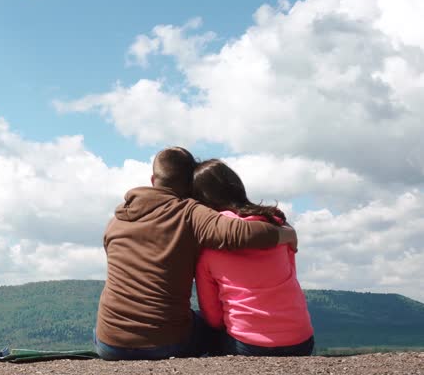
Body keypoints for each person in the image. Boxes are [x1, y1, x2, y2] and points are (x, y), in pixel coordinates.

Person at [94, 147, 298, 361]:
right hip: (167, 343)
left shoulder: (117, 220)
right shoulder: (189, 212)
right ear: (189, 183)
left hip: (109, 344)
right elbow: (240, 233)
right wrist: (286, 234)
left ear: (153, 179)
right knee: (212, 328)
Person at [192, 159, 314, 356]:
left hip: (248, 345)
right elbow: (291, 274)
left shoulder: (210, 246)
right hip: (301, 340)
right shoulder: (278, 227)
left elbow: (213, 318)